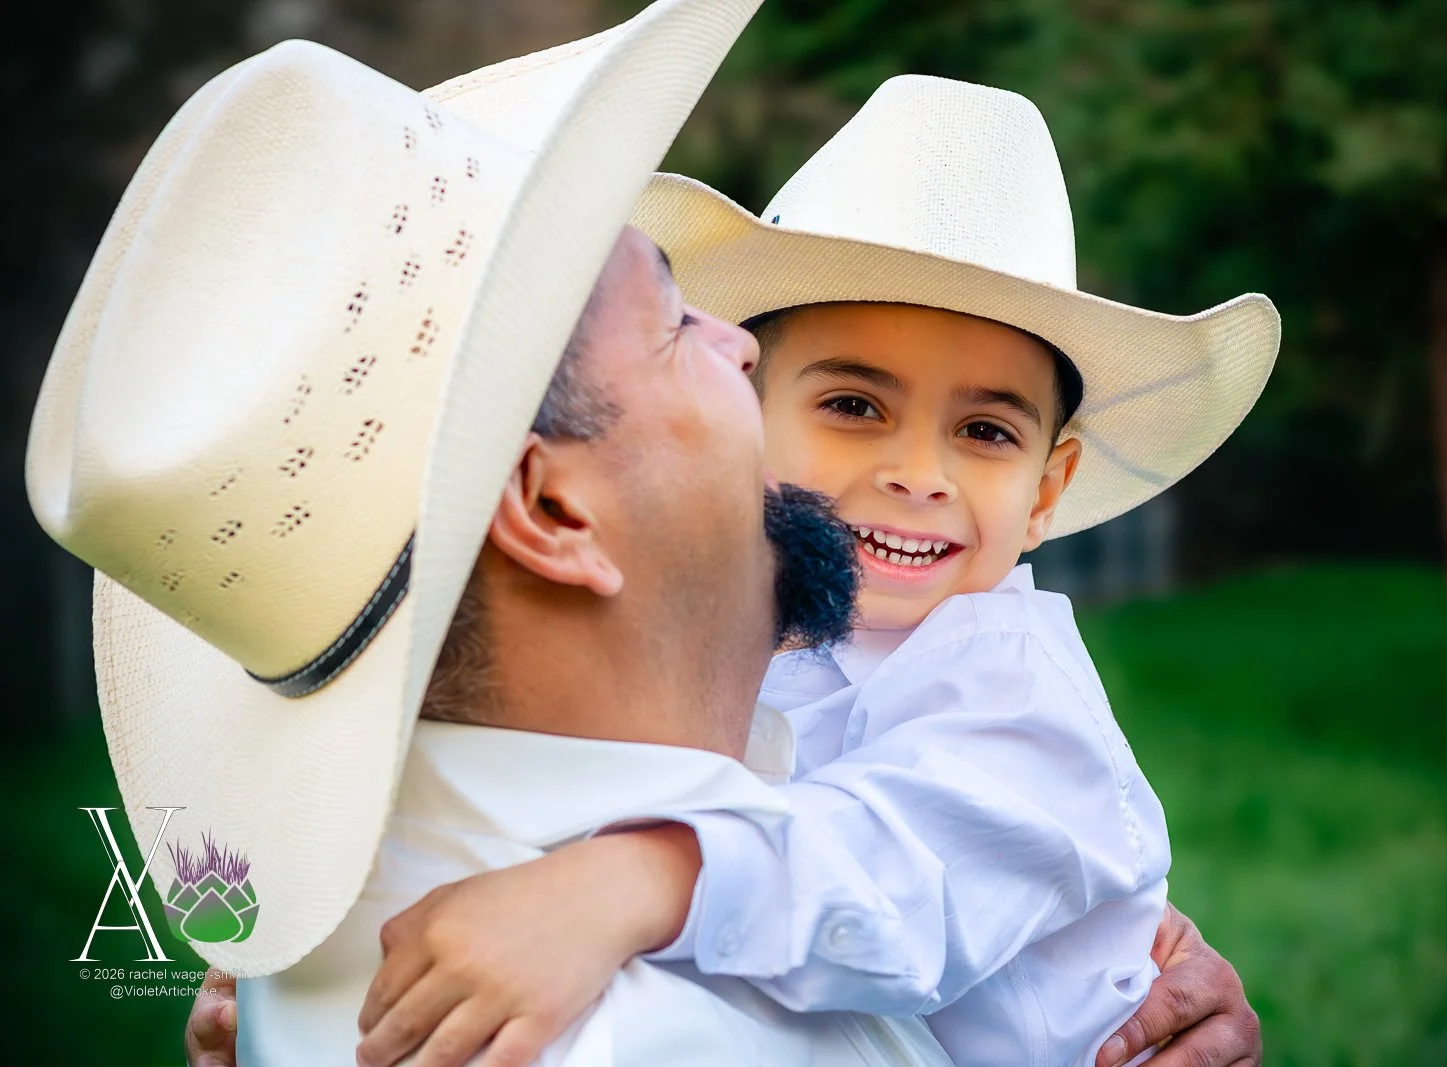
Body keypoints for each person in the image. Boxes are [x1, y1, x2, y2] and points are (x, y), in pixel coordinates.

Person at [29, 2, 958, 1064]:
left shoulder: (324, 971)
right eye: (673, 324)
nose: (741, 344)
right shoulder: (653, 1038)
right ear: (553, 511)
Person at [345, 78, 1277, 1067]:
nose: (918, 474)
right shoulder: (765, 639)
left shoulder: (1012, 684)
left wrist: (635, 881)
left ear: (1047, 491)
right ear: (750, 406)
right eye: (854, 407)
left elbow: (898, 872)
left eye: (985, 431)